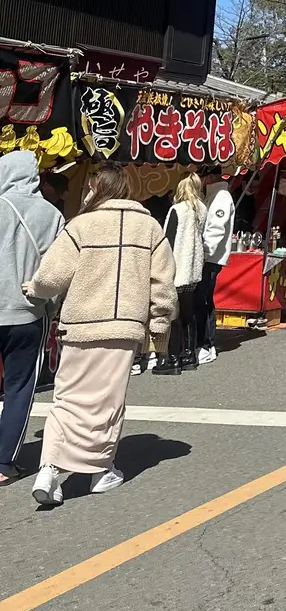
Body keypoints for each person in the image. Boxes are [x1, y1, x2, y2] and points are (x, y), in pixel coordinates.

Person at [24, 162, 176, 507]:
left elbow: (51, 278)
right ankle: (99, 470)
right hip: (122, 328)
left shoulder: (80, 225)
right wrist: (159, 332)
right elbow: (163, 288)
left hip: (78, 326)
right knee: (107, 404)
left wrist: (35, 287)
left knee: (67, 399)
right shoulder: (150, 228)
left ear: (99, 188)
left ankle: (49, 468)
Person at [0, 151, 65, 485]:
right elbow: (60, 266)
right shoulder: (51, 214)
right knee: (19, 387)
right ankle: (4, 462)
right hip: (28, 312)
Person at [158, 174, 207, 375]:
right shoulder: (202, 210)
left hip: (177, 267)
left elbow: (167, 241)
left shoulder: (177, 210)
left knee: (173, 315)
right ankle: (190, 355)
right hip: (193, 268)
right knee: (189, 313)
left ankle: (173, 358)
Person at [197, 168, 235, 365]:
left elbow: (216, 229)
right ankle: (202, 342)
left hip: (210, 258)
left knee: (204, 300)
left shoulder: (221, 196)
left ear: (210, 176)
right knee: (202, 300)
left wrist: (203, 254)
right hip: (207, 257)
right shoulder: (213, 194)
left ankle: (207, 344)